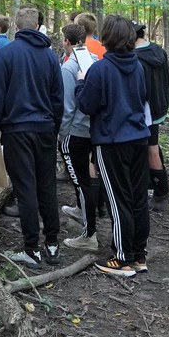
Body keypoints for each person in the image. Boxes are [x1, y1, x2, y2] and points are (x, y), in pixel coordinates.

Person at [0, 6, 64, 268]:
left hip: (18, 131)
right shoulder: (51, 57)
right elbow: (58, 99)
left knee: (26, 189)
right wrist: (54, 128)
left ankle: (32, 249)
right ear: (37, 26)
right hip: (44, 131)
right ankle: (52, 245)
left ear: (17, 27)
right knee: (46, 186)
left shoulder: (6, 55)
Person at [76, 14, 150, 277]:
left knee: (119, 200)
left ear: (107, 38)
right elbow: (141, 98)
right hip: (138, 138)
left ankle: (123, 258)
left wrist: (81, 81)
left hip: (112, 142)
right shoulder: (138, 66)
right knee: (137, 198)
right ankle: (139, 254)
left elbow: (85, 105)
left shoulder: (100, 70)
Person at [58, 22, 101, 251]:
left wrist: (62, 135)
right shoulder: (94, 59)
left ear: (67, 41)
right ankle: (81, 209)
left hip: (76, 132)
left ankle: (89, 235)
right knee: (85, 179)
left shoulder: (68, 68)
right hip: (94, 129)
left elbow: (68, 107)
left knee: (80, 180)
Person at [134, 22, 169, 213]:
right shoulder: (159, 51)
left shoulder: (136, 58)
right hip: (159, 106)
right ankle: (155, 186)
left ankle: (161, 193)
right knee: (152, 146)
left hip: (147, 110)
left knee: (151, 149)